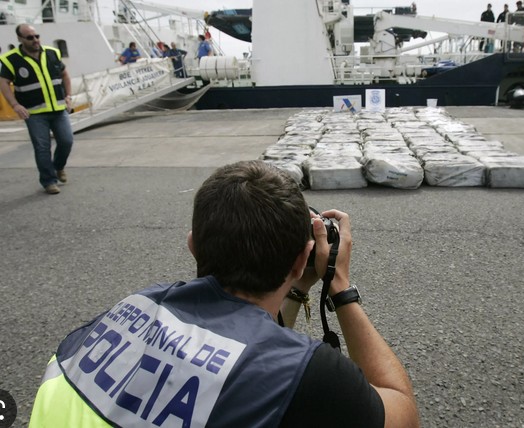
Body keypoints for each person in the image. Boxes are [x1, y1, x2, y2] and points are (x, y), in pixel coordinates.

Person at [28, 160, 420, 427]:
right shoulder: (307, 375)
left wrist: (298, 291)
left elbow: (251, 336)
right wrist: (338, 284)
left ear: (193, 245)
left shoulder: (130, 308)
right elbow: (403, 414)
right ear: (303, 258)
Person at [0, 24, 73, 195]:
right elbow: (3, 82)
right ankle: (49, 181)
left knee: (66, 141)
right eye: (30, 37)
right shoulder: (11, 59)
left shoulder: (51, 53)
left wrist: (68, 96)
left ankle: (58, 167)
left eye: (36, 36)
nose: (35, 40)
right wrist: (15, 105)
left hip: (58, 109)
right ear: (20, 39)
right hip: (33, 113)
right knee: (42, 147)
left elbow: (65, 75)